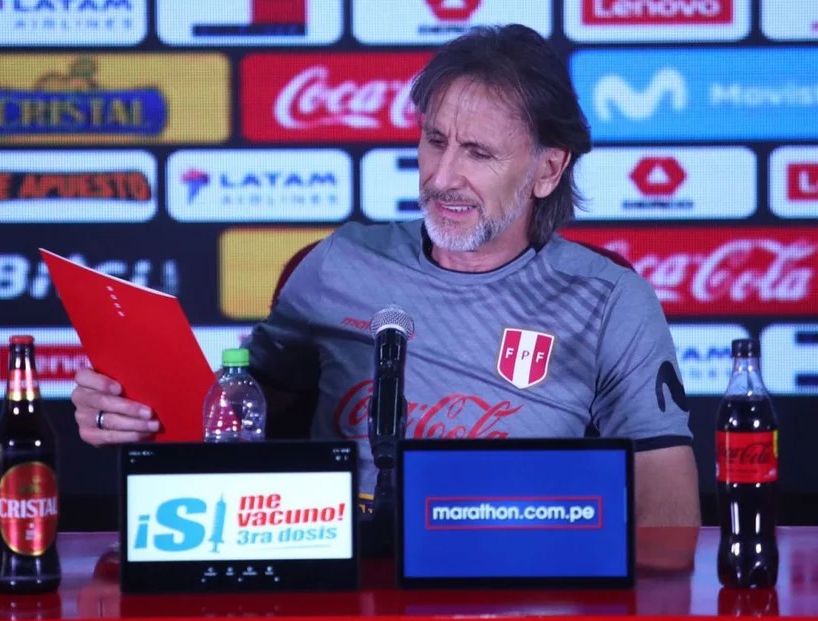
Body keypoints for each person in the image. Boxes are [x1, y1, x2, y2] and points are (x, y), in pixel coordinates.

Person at [72, 24, 701, 527]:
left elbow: (670, 529)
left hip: (518, 592)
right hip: (337, 588)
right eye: (435, 141)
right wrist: (138, 415)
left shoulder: (610, 300)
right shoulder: (339, 263)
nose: (442, 177)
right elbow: (232, 419)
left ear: (548, 169)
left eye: (478, 153)